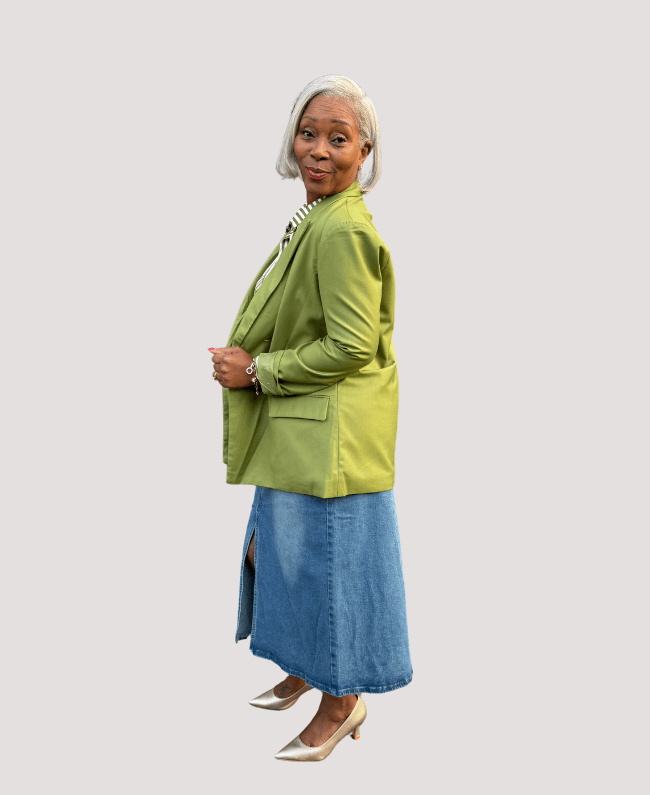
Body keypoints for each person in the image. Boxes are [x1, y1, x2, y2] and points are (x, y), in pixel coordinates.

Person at [208, 75, 413, 762]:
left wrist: (257, 371)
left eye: (338, 138)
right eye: (309, 133)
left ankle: (342, 700)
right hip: (302, 427)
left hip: (331, 438)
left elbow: (352, 346)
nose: (319, 150)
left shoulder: (343, 230)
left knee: (330, 569)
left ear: (365, 151)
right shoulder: (320, 217)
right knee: (280, 556)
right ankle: (304, 665)